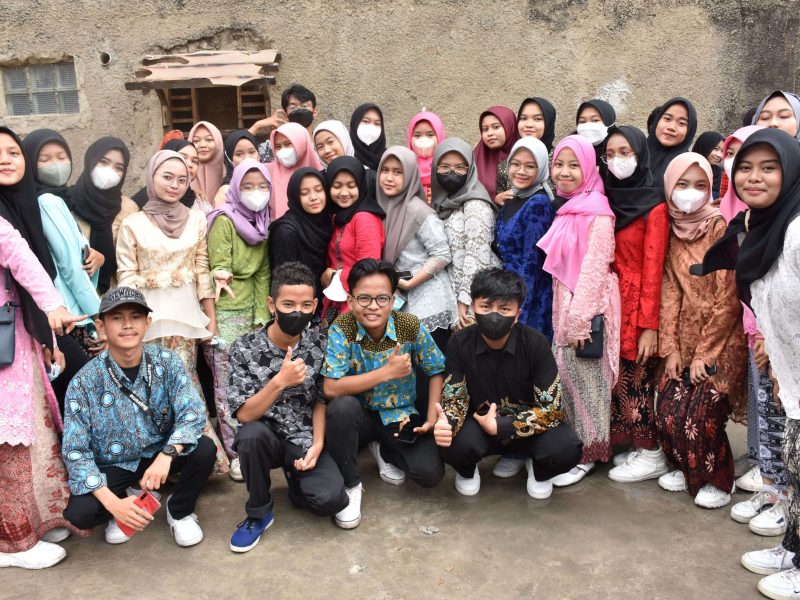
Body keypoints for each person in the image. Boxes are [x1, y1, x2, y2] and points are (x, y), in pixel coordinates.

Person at [695, 128, 800, 600]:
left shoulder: (795, 232)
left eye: (769, 168)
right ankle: (795, 548)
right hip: (790, 370)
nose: (754, 177)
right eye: (746, 168)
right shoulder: (762, 225)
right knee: (794, 461)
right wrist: (777, 359)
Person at [61, 287, 216, 547]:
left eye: (135, 317)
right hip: (115, 464)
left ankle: (180, 511)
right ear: (101, 327)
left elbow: (192, 412)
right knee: (81, 514)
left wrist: (167, 454)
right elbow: (75, 450)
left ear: (147, 323)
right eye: (116, 318)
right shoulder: (84, 382)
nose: (127, 325)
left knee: (204, 449)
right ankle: (124, 506)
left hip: (160, 454)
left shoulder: (168, 362)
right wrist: (113, 503)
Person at [0, 126, 88, 570]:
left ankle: (35, 520)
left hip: (18, 344)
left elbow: (30, 274)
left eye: (12, 151)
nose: (5, 159)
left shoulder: (20, 207)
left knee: (33, 434)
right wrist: (54, 306)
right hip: (5, 351)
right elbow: (21, 260)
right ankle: (12, 544)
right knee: (9, 443)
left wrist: (49, 338)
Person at [116, 150, 228, 475]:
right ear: (151, 177)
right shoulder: (133, 224)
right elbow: (126, 276)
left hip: (185, 320)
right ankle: (156, 464)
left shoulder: (196, 219)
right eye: (167, 177)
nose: (175, 184)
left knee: (185, 384)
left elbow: (202, 269)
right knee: (149, 389)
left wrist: (210, 319)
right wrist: (130, 324)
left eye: (182, 179)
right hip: (147, 323)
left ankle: (201, 457)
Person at [226, 262, 348, 551]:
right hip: (265, 437)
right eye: (288, 304)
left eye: (306, 305)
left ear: (315, 305)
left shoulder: (320, 344)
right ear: (272, 304)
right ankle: (259, 512)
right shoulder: (244, 347)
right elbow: (244, 414)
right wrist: (279, 382)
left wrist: (317, 444)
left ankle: (296, 484)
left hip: (303, 436)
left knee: (331, 500)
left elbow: (321, 400)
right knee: (250, 436)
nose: (297, 312)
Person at [434, 268, 582, 498]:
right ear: (473, 308)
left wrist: (502, 426)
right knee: (449, 440)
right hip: (479, 425)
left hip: (528, 429)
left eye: (504, 309)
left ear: (517, 314)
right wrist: (448, 423)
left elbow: (552, 409)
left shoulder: (535, 343)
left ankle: (539, 469)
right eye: (486, 307)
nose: (494, 316)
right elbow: (455, 398)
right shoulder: (459, 343)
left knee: (566, 447)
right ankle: (467, 470)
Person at [322, 259, 446, 528]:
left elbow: (436, 368)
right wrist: (386, 373)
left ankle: (384, 450)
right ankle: (350, 484)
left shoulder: (409, 325)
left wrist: (431, 419)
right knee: (341, 407)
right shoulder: (341, 328)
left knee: (429, 474)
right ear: (351, 300)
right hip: (359, 416)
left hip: (399, 415)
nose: (373, 306)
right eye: (364, 298)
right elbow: (330, 387)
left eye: (382, 298)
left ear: (393, 299)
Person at [655, 152, 746, 509]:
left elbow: (729, 297)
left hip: (723, 340)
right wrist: (671, 349)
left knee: (701, 416)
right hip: (684, 338)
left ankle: (718, 480)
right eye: (682, 184)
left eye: (700, 185)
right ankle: (685, 468)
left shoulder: (719, 227)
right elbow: (670, 292)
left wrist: (705, 354)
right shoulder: (672, 228)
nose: (690, 193)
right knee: (667, 409)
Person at [536, 134, 621, 486]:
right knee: (569, 382)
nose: (564, 172)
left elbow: (594, 269)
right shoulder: (567, 208)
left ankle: (588, 454)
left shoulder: (597, 212)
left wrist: (578, 320)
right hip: (566, 307)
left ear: (588, 168)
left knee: (589, 385)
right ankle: (577, 448)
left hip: (589, 312)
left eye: (574, 165)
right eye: (559, 164)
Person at [596, 126, 671, 483]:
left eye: (625, 152)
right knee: (618, 380)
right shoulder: (607, 196)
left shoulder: (654, 205)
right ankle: (632, 446)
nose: (617, 160)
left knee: (638, 380)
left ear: (640, 155)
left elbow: (654, 270)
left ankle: (652, 453)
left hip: (637, 306)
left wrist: (648, 327)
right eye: (610, 154)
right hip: (611, 303)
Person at [21, 129, 104, 410]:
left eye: (61, 156)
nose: (56, 164)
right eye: (45, 159)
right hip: (73, 318)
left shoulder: (49, 201)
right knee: (92, 401)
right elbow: (70, 268)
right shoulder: (49, 202)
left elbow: (79, 259)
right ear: (31, 163)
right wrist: (99, 314)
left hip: (66, 314)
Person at [206, 160, 272, 480]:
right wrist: (220, 274)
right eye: (247, 186)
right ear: (235, 188)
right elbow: (217, 266)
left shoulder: (263, 222)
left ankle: (255, 445)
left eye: (262, 186)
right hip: (226, 312)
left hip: (252, 314)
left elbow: (263, 273)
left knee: (255, 382)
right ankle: (235, 452)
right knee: (226, 387)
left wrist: (262, 317)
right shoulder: (224, 220)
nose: (255, 193)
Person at [376, 146, 457, 350]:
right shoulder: (380, 207)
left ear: (411, 176)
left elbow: (442, 254)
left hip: (429, 300)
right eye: (385, 170)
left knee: (430, 364)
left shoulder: (418, 211)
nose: (389, 178)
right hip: (401, 297)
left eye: (398, 172)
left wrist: (411, 282)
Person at [430, 138, 501, 332]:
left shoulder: (475, 203)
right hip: (452, 296)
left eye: (460, 167)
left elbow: (477, 255)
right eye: (444, 167)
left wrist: (465, 302)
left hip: (476, 299)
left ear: (470, 170)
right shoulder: (442, 203)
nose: (452, 172)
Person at [494, 137, 555, 341]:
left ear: (541, 168)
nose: (521, 171)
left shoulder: (538, 204)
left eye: (530, 166)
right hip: (508, 293)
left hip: (529, 301)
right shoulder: (513, 197)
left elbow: (532, 265)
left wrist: (517, 312)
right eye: (515, 164)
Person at [320, 156, 385, 326]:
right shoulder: (339, 217)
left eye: (351, 185)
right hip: (339, 300)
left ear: (361, 185)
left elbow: (369, 268)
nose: (344, 193)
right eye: (337, 186)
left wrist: (334, 276)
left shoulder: (364, 218)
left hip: (359, 304)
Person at [68, 136, 137, 293]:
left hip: (115, 295)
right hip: (73, 293)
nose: (109, 171)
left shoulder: (129, 209)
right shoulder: (66, 202)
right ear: (91, 161)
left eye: (118, 167)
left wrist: (104, 259)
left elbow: (133, 257)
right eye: (104, 162)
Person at [268, 168, 332, 307]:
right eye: (304, 193)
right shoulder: (286, 231)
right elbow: (286, 280)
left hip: (326, 303)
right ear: (295, 196)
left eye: (319, 190)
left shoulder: (328, 221)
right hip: (299, 306)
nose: (313, 197)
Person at [495, 97, 557, 206]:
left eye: (537, 119)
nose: (528, 124)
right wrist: (497, 200)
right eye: (523, 118)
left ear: (549, 122)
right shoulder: (506, 166)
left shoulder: (559, 162)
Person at [267, 122, 322, 220]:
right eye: (278, 147)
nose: (282, 150)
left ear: (301, 143)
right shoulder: (268, 172)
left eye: (288, 144)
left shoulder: (321, 173)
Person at [646, 97, 698, 193]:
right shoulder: (633, 154)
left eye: (681, 123)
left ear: (690, 131)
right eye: (667, 119)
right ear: (657, 120)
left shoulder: (690, 167)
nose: (671, 127)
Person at [252, 83, 316, 162]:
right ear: (286, 115)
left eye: (304, 106)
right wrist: (257, 125)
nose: (299, 110)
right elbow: (240, 149)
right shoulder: (271, 146)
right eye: (293, 107)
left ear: (314, 112)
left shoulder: (322, 143)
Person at [133, 139, 201, 210]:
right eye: (182, 158)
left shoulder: (199, 203)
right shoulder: (137, 206)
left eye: (194, 161)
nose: (190, 164)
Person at [474, 105, 519, 204]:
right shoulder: (476, 158)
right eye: (485, 129)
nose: (489, 133)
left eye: (496, 127)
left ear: (509, 126)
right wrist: (495, 201)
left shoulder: (525, 157)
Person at [213, 130, 260, 207]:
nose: (247, 158)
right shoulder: (226, 192)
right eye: (239, 154)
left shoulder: (268, 181)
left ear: (259, 154)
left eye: (251, 152)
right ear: (229, 159)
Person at [407, 111, 446, 202]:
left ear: (439, 136)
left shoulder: (448, 167)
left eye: (430, 135)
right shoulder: (404, 167)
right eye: (417, 135)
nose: (423, 140)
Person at [188, 121, 224, 213]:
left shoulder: (231, 175)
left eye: (209, 140)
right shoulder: (181, 177)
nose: (203, 145)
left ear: (218, 143)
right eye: (196, 141)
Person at [575, 98, 617, 163]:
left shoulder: (621, 152)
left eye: (595, 120)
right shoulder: (571, 149)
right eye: (582, 121)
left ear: (609, 122)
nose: (588, 126)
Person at [349, 103, 387, 171]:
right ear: (355, 123)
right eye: (366, 121)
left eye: (377, 123)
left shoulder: (388, 158)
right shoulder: (346, 157)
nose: (371, 127)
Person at [692, 131, 724, 200]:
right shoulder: (685, 167)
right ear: (704, 146)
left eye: (722, 151)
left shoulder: (722, 174)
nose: (719, 155)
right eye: (716, 149)